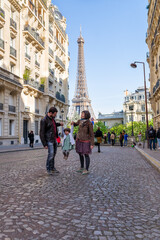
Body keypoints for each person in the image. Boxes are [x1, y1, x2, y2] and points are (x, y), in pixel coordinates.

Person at [40, 107, 63, 175]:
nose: (55, 115)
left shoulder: (52, 119)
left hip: (54, 139)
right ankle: (48, 169)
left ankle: (52, 168)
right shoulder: (44, 120)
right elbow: (41, 133)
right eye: (55, 114)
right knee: (51, 154)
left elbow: (53, 125)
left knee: (54, 154)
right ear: (50, 113)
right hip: (49, 140)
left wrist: (59, 124)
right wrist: (44, 144)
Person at [72, 110, 94, 175]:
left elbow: (92, 134)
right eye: (81, 113)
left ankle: (86, 169)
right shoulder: (80, 121)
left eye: (83, 114)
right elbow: (76, 124)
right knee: (80, 154)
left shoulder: (89, 123)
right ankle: (82, 167)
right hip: (79, 140)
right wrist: (73, 123)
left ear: (86, 115)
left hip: (86, 141)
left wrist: (92, 143)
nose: (81, 115)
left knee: (86, 155)